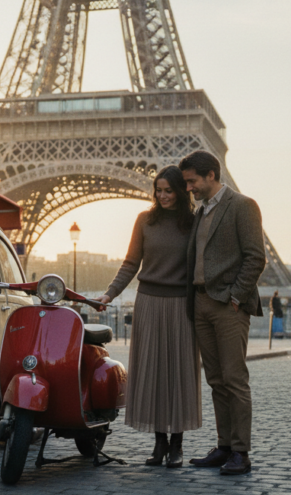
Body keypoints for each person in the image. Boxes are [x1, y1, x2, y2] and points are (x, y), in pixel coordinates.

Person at [92, 165, 200, 468]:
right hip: (149, 303)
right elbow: (131, 263)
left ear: (181, 190)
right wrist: (109, 294)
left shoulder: (193, 223)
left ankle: (177, 444)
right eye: (158, 190)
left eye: (168, 190)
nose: (162, 196)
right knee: (152, 372)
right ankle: (159, 443)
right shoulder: (144, 221)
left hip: (181, 305)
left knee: (178, 374)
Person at [179, 150, 266, 476]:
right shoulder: (201, 212)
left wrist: (235, 298)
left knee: (234, 379)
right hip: (201, 302)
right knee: (215, 380)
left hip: (227, 305)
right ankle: (225, 445)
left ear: (211, 175)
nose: (189, 188)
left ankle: (241, 452)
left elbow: (256, 257)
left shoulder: (242, 206)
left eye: (192, 181)